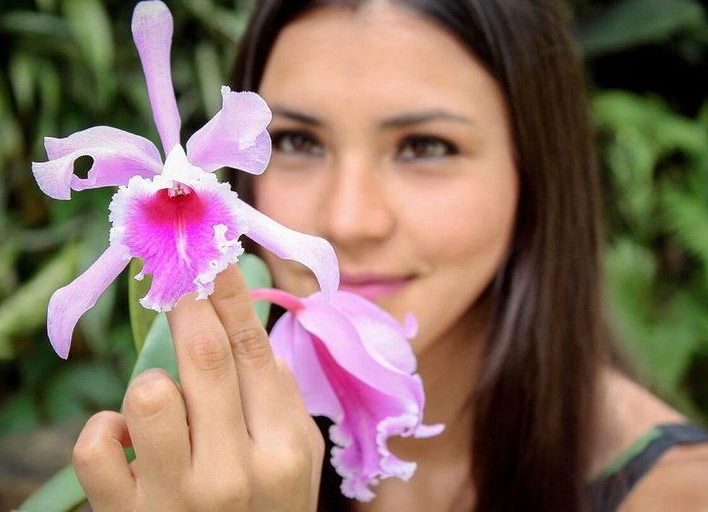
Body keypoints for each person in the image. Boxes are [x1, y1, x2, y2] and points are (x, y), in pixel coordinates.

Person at [71, 0, 708, 510]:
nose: (350, 220)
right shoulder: (178, 478)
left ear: (535, 167)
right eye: (296, 140)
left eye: (425, 146)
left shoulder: (681, 492)